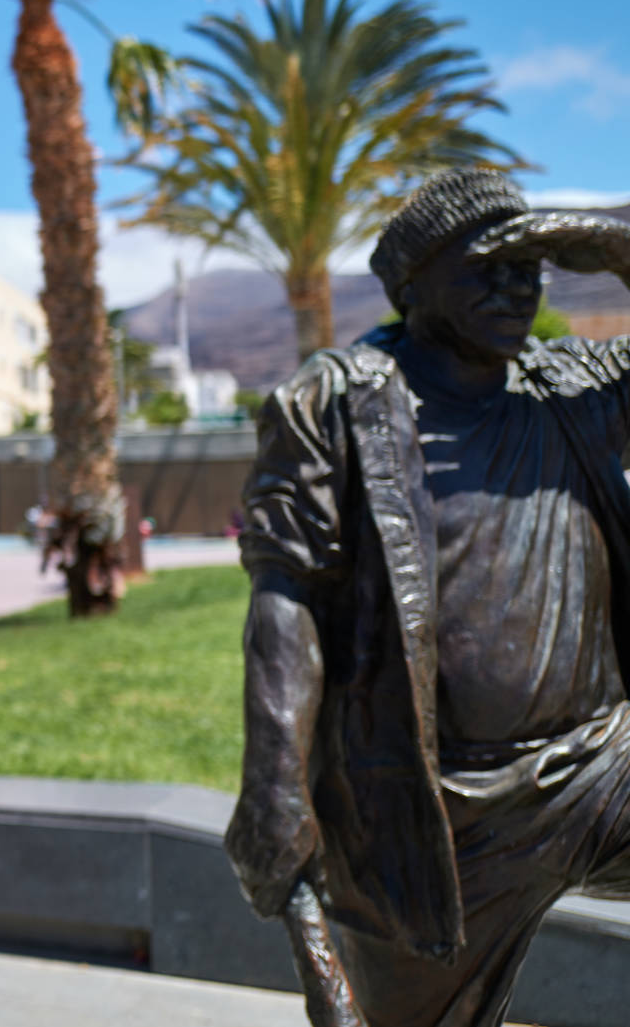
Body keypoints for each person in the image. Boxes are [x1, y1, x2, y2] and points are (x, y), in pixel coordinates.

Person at [229, 167, 630, 1027]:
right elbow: (284, 594)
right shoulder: (334, 402)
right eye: (486, 263)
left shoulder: (575, 388)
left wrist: (611, 246)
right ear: (415, 284)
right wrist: (275, 782)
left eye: (531, 264)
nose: (517, 283)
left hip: (601, 765)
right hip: (430, 816)